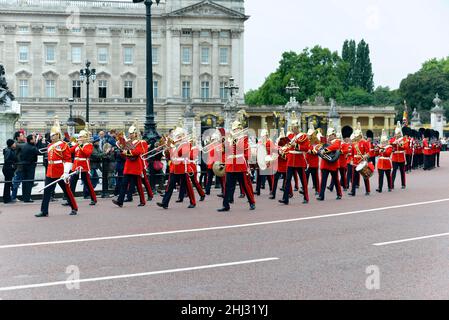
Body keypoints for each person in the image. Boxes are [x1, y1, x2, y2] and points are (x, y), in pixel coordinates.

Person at [35, 116, 78, 217]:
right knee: (47, 191)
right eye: (51, 135)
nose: (52, 137)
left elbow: (68, 159)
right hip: (50, 171)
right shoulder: (50, 145)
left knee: (67, 191)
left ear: (58, 135)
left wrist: (66, 172)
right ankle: (44, 211)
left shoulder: (64, 145)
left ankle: (74, 207)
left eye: (53, 135)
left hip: (60, 171)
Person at [217, 120, 255, 212]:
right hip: (230, 164)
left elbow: (242, 150)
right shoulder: (229, 139)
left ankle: (252, 202)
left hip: (240, 165)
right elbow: (225, 151)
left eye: (237, 129)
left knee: (245, 185)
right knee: (227, 186)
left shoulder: (244, 138)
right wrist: (224, 142)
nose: (235, 131)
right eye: (234, 129)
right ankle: (226, 205)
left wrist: (234, 140)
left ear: (240, 129)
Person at [157, 127, 196, 209]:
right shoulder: (175, 144)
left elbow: (182, 153)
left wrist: (173, 146)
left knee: (188, 186)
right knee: (169, 186)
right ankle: (165, 203)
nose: (177, 137)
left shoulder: (186, 143)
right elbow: (169, 156)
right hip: (174, 167)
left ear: (183, 135)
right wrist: (168, 148)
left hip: (183, 167)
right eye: (177, 136)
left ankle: (193, 202)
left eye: (179, 135)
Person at [113, 120, 146, 208]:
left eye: (132, 133)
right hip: (128, 164)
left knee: (138, 184)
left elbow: (137, 152)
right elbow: (126, 153)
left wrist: (126, 151)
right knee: (124, 183)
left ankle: (142, 201)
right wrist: (122, 151)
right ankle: (120, 201)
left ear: (135, 134)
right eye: (130, 133)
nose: (130, 135)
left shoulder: (140, 142)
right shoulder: (128, 142)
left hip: (136, 165)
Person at [279, 112, 310, 205]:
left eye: (294, 128)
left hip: (299, 160)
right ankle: (285, 198)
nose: (293, 129)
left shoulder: (303, 136)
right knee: (287, 180)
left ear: (298, 127)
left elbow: (306, 148)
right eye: (292, 128)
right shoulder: (291, 136)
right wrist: (283, 150)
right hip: (290, 160)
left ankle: (306, 197)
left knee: (303, 180)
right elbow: (288, 147)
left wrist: (296, 145)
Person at [65, 127, 97, 206]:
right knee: (72, 183)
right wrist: (65, 145)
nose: (79, 138)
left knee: (87, 183)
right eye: (79, 137)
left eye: (80, 137)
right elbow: (69, 151)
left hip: (83, 166)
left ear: (85, 138)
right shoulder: (77, 145)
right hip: (76, 165)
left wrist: (80, 146)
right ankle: (70, 200)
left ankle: (94, 199)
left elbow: (87, 153)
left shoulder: (88, 145)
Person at [316, 126, 342, 201]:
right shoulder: (325, 141)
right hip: (325, 164)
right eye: (328, 135)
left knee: (336, 180)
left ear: (334, 135)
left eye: (330, 135)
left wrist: (325, 149)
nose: (329, 137)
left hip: (333, 164)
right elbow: (319, 147)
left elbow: (335, 147)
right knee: (323, 181)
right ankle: (321, 195)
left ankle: (339, 194)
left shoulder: (337, 141)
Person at [348, 123, 371, 197]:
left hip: (362, 162)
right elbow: (351, 154)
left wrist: (365, 156)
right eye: (356, 136)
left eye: (357, 136)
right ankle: (353, 191)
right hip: (355, 162)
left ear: (360, 135)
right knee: (354, 177)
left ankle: (368, 190)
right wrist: (351, 160)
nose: (356, 138)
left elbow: (368, 152)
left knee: (365, 176)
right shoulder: (354, 143)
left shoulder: (364, 142)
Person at [20, 134, 39, 203]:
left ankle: (24, 197)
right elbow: (38, 152)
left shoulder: (24, 146)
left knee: (24, 181)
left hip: (23, 165)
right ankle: (27, 198)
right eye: (34, 139)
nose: (35, 140)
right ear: (31, 140)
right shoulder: (32, 147)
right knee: (29, 181)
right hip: (30, 166)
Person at [390, 122, 409, 188]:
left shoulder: (404, 139)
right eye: (396, 133)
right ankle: (391, 184)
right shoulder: (393, 139)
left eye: (398, 133)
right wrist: (393, 143)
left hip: (401, 157)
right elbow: (390, 145)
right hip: (395, 157)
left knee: (402, 172)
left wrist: (400, 144)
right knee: (394, 171)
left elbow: (406, 147)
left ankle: (403, 184)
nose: (397, 135)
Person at [10, 130, 26, 202]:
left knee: (24, 182)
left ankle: (24, 196)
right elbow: (25, 146)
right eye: (21, 135)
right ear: (17, 137)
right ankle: (13, 197)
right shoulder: (16, 144)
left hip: (24, 166)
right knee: (16, 182)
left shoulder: (23, 143)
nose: (23, 136)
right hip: (19, 167)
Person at [2, 139, 17, 204]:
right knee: (8, 183)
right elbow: (7, 160)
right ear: (11, 144)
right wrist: (13, 163)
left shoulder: (9, 150)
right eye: (14, 143)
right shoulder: (8, 151)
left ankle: (7, 198)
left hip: (8, 168)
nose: (15, 144)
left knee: (8, 183)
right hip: (8, 169)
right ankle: (6, 199)